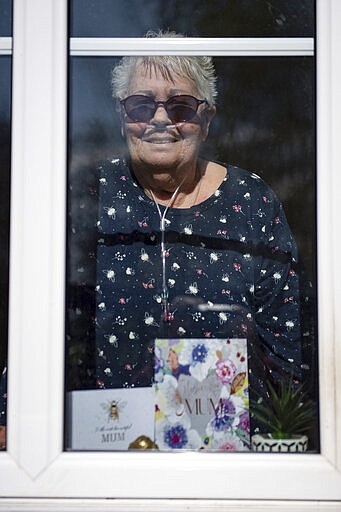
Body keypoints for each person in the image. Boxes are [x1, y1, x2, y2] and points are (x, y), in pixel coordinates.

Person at [67, 30, 316, 442]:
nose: (160, 119)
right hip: (102, 449)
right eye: (141, 105)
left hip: (226, 455)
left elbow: (291, 339)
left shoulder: (251, 201)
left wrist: (288, 443)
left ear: (208, 118)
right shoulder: (89, 193)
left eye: (180, 106)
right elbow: (45, 319)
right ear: (121, 115)